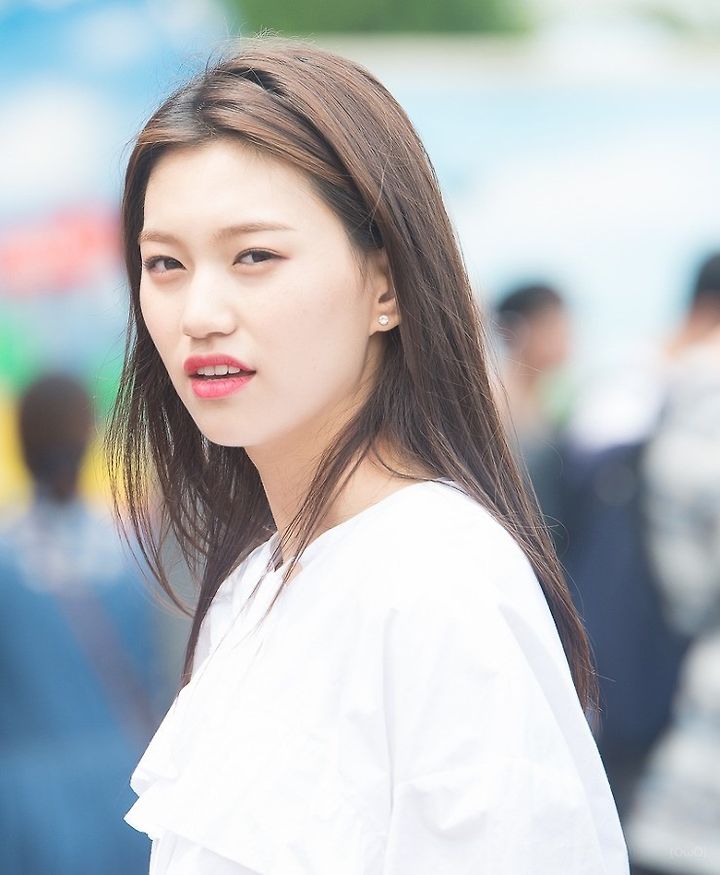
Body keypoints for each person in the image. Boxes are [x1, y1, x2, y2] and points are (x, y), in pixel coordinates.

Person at [107, 37, 629, 873]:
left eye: (254, 256)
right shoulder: (258, 582)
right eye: (164, 262)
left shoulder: (434, 580)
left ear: (386, 284)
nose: (199, 312)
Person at [0, 374, 169, 874]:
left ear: (22, 445)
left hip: (25, 802)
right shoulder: (135, 555)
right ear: (87, 441)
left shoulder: (7, 559)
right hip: (127, 792)